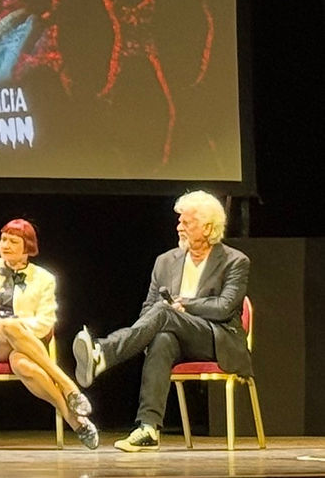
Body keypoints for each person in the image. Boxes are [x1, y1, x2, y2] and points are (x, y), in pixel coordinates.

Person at [72, 190, 251, 452]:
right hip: (177, 337)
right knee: (162, 338)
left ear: (208, 227)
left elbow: (224, 308)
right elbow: (148, 311)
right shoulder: (165, 261)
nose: (179, 226)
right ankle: (148, 427)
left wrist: (184, 304)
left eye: (186, 222)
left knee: (165, 311)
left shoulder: (235, 261)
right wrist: (151, 327)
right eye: (179, 221)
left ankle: (105, 352)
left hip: (216, 337)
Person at [0, 219, 99, 449]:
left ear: (28, 249)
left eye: (13, 241)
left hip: (28, 345)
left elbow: (46, 321)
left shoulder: (44, 278)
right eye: (3, 240)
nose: (5, 245)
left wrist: (17, 326)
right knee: (7, 326)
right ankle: (68, 385)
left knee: (22, 363)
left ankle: (74, 420)